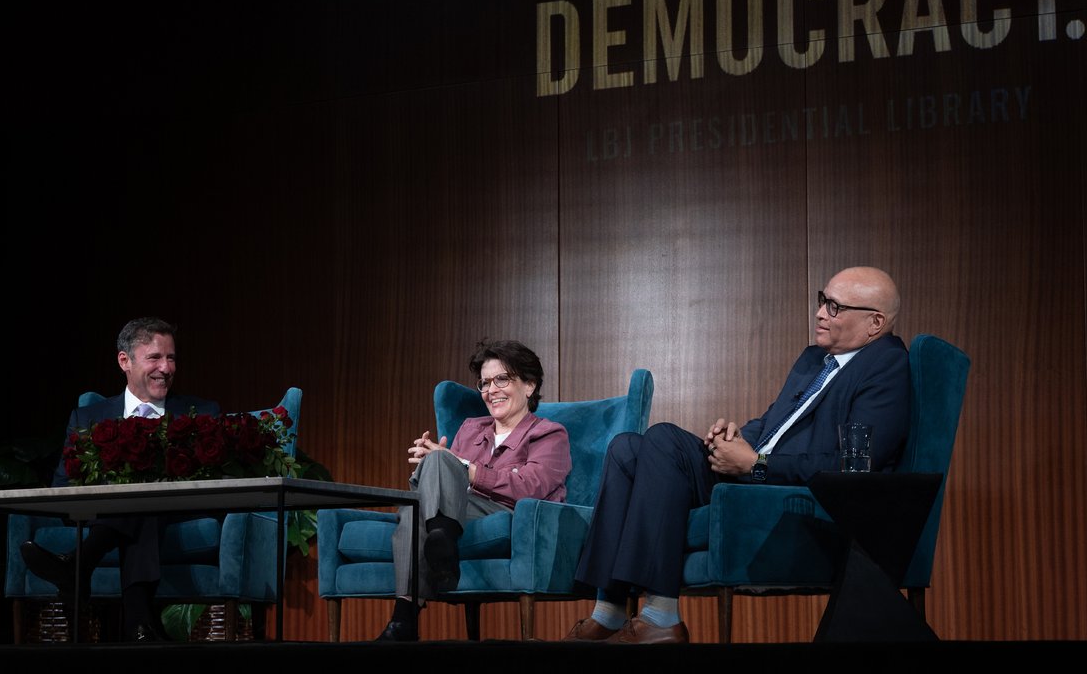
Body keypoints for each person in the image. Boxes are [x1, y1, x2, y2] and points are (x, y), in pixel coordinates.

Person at [565, 266, 910, 644]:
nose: (820, 313)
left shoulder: (886, 365)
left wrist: (756, 465)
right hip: (752, 473)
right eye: (821, 301)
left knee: (662, 438)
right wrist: (734, 441)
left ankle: (661, 616)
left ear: (875, 322)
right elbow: (774, 421)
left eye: (834, 306)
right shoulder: (815, 360)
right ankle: (610, 610)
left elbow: (854, 465)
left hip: (784, 490)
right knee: (626, 447)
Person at [20, 317, 220, 641]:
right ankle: (140, 624)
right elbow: (62, 484)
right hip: (102, 513)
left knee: (146, 499)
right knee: (138, 505)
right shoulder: (88, 418)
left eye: (171, 358)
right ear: (124, 360)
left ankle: (79, 564)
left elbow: (211, 477)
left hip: (176, 511)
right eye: (154, 357)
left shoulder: (201, 413)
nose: (166, 368)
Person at [377, 339, 572, 641]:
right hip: (461, 507)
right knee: (423, 487)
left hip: (511, 512)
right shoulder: (471, 428)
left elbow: (530, 486)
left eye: (502, 379)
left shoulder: (548, 434)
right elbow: (449, 481)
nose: (491, 390)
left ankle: (405, 619)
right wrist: (433, 465)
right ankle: (440, 540)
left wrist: (464, 467)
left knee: (423, 494)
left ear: (529, 385)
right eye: (484, 383)